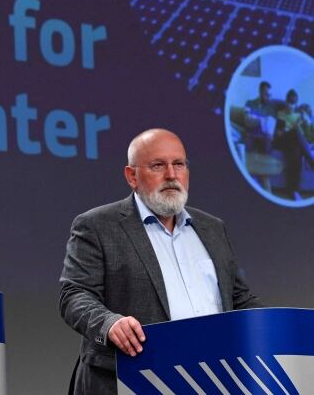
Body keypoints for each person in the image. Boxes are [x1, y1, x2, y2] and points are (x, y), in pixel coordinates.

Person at [59, 128, 260, 394]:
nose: (171, 175)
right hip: (128, 379)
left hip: (211, 379)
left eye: (179, 164)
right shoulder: (97, 226)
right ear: (132, 176)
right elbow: (74, 294)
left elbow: (238, 300)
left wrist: (282, 324)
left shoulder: (213, 228)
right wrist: (108, 323)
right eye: (158, 165)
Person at [273, 90, 314, 199]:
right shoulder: (279, 113)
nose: (291, 105)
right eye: (289, 102)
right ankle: (311, 162)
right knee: (294, 132)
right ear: (286, 101)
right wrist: (283, 131)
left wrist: (306, 122)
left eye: (294, 103)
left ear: (296, 104)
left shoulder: (299, 115)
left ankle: (294, 190)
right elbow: (277, 132)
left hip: (293, 144)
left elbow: (306, 135)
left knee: (297, 151)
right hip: (282, 140)